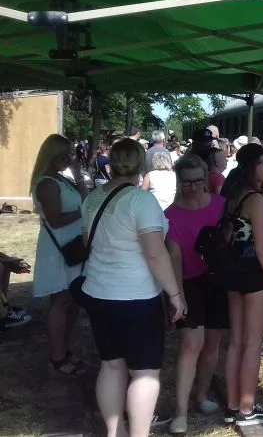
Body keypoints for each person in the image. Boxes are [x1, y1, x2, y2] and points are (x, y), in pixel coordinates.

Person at [79, 138, 186, 437]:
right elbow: (155, 253)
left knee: (111, 365)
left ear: (111, 163)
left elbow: (87, 241)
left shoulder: (92, 198)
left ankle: (116, 432)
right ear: (142, 164)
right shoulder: (142, 201)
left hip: (98, 291)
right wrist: (175, 295)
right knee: (145, 373)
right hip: (136, 298)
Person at [162, 154, 227, 434]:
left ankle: (201, 395)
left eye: (199, 181)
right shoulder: (170, 215)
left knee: (212, 343)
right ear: (179, 181)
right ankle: (180, 412)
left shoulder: (221, 205)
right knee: (191, 346)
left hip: (216, 282)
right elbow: (173, 258)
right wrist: (177, 295)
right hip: (188, 283)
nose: (194, 187)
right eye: (187, 182)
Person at [222, 143, 263, 426]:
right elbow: (262, 248)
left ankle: (233, 404)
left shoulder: (233, 195)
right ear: (250, 168)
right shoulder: (256, 200)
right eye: (262, 164)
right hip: (254, 274)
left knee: (236, 341)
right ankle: (247, 407)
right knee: (252, 343)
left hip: (233, 272)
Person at [30, 134, 89, 375]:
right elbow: (55, 220)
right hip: (58, 249)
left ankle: (65, 350)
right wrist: (82, 213)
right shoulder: (46, 183)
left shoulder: (62, 180)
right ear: (51, 156)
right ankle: (57, 356)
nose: (68, 159)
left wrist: (76, 172)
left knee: (73, 300)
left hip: (72, 246)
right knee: (61, 301)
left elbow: (85, 196)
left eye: (70, 154)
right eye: (64, 155)